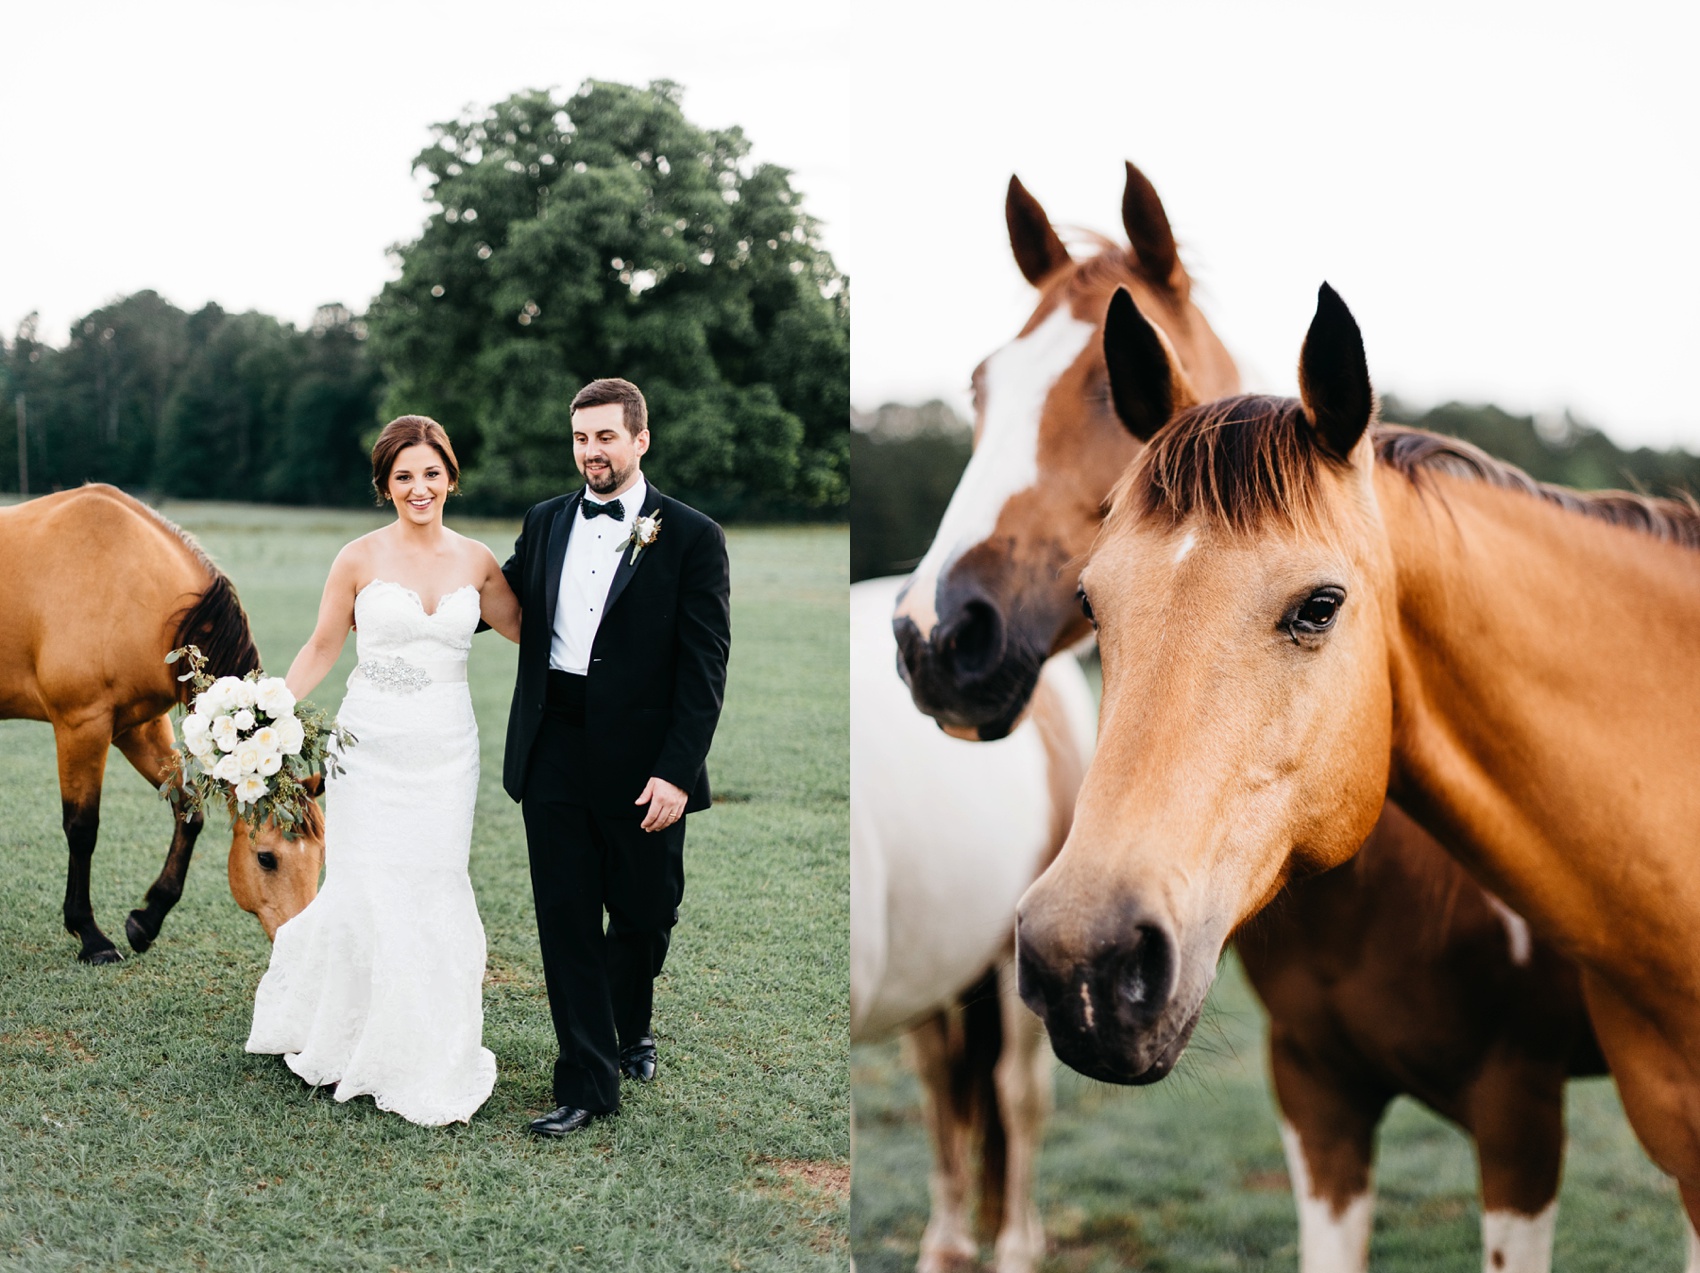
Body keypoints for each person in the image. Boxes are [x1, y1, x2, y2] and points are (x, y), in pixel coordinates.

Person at [245, 415, 521, 1126]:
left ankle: (427, 1046)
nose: (419, 487)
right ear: (385, 486)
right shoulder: (358, 559)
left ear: (451, 477)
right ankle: (349, 1035)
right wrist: (265, 710)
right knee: (366, 884)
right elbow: (320, 646)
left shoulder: (479, 562)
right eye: (404, 476)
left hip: (447, 751)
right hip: (369, 748)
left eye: (431, 473)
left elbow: (535, 629)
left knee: (434, 882)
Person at [494, 377, 731, 1136]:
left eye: (604, 437)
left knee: (645, 913)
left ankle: (632, 1026)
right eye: (580, 438)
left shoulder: (693, 535)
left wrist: (676, 769)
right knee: (564, 918)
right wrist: (400, 584)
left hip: (645, 758)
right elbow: (492, 596)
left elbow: (704, 668)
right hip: (553, 741)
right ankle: (588, 1082)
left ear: (639, 439)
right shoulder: (545, 521)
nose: (590, 452)